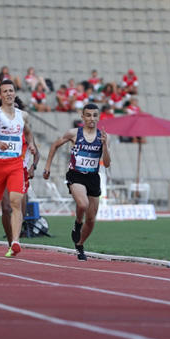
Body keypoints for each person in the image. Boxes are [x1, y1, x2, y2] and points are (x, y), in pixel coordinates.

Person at [43, 103, 111, 261]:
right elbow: (54, 145)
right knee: (82, 204)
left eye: (95, 115)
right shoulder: (74, 133)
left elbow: (107, 164)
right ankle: (77, 222)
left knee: (92, 220)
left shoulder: (103, 136)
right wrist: (47, 167)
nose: (91, 118)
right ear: (83, 117)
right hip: (76, 175)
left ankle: (80, 245)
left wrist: (105, 146)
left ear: (98, 117)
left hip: (93, 177)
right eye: (88, 115)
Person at [0, 80, 36, 257]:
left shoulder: (23, 115)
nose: (9, 94)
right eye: (5, 91)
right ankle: (13, 240)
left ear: (15, 93)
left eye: (11, 90)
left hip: (15, 164)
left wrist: (32, 145)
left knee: (15, 201)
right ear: (0, 95)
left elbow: (28, 132)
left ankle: (15, 242)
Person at [0, 97, 40, 246]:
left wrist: (32, 167)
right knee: (5, 208)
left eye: (16, 108)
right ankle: (11, 241)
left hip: (19, 171)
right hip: (2, 168)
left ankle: (15, 240)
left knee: (19, 209)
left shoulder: (25, 130)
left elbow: (37, 153)